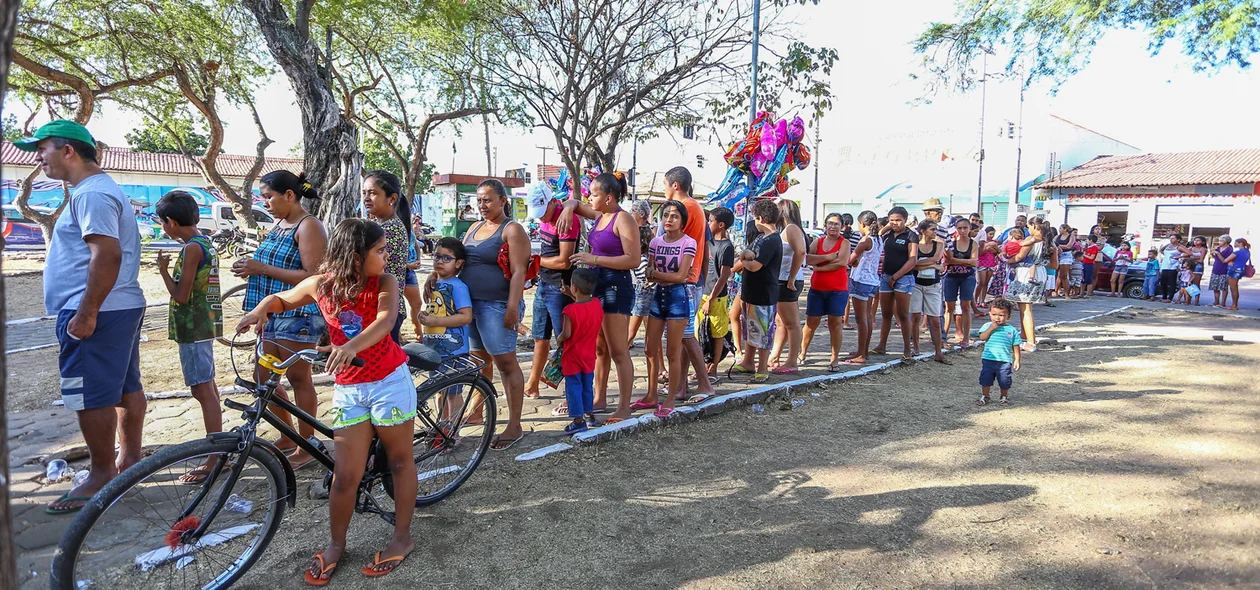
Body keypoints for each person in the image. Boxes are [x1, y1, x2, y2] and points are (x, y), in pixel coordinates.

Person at [239, 219, 417, 583]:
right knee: (344, 475)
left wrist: (351, 345)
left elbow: (385, 320)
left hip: (388, 382)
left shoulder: (385, 282)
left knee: (399, 461)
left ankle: (402, 537)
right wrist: (261, 310)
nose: (386, 258)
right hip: (350, 388)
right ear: (354, 257)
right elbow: (282, 298)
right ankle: (337, 543)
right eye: (380, 251)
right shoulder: (322, 285)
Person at [20, 121, 148, 514]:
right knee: (125, 387)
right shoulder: (97, 190)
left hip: (98, 310)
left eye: (43, 149)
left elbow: (106, 256)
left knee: (90, 394)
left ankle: (101, 474)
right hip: (116, 306)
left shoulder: (92, 193)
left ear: (69, 151)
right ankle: (128, 462)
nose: (38, 158)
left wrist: (87, 312)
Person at [235, 170, 328, 469]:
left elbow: (313, 276)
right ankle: (288, 435)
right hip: (273, 314)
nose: (266, 204)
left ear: (289, 195)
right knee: (264, 378)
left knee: (298, 378)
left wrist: (261, 268)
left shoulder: (308, 225)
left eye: (269, 197)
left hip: (298, 314)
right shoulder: (280, 224)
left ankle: (307, 443)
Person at [558, 172, 642, 421]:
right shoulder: (601, 215)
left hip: (616, 288)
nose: (589, 198)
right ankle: (599, 397)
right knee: (600, 348)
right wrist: (569, 207)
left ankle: (624, 406)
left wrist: (593, 259)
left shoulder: (622, 219)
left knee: (618, 350)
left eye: (594, 194)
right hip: (597, 286)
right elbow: (575, 204)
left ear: (609, 197)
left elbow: (633, 259)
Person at [154, 191, 225, 484]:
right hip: (203, 325)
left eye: (163, 223)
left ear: (171, 221)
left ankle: (216, 457)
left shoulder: (190, 250)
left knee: (202, 390)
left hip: (193, 327)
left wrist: (161, 270)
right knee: (207, 387)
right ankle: (219, 450)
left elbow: (181, 296)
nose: (163, 228)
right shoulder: (204, 242)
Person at [456, 179, 530, 450]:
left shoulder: (512, 230)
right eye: (479, 200)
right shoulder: (474, 227)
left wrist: (513, 307)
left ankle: (515, 425)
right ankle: (477, 411)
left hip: (497, 305)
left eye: (488, 200)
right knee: (479, 363)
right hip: (471, 307)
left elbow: (519, 271)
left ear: (502, 201)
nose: (482, 205)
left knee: (506, 364)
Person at [636, 200, 696, 416]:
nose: (669, 220)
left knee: (673, 352)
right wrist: (662, 276)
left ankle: (670, 398)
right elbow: (648, 271)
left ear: (682, 220)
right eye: (666, 215)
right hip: (658, 296)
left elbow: (680, 276)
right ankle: (651, 394)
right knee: (650, 348)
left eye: (674, 216)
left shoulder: (689, 242)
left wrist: (657, 275)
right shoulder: (655, 242)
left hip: (678, 298)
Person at [523, 182, 577, 400]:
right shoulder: (546, 218)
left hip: (560, 288)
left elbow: (564, 261)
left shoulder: (565, 218)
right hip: (543, 285)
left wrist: (536, 262)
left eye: (543, 212)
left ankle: (570, 393)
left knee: (565, 340)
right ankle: (533, 383)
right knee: (539, 338)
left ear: (553, 202)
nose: (540, 218)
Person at [731, 199, 783, 383]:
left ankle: (762, 367)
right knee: (749, 328)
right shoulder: (761, 237)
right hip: (750, 292)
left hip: (764, 293)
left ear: (760, 218)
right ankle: (748, 361)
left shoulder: (772, 240)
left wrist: (743, 259)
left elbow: (753, 266)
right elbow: (746, 254)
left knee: (762, 332)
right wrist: (744, 256)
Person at [361, 170, 413, 343]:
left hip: (384, 308)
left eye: (373, 193)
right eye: (364, 193)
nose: (367, 198)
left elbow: (364, 265)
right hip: (378, 306)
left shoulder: (389, 229)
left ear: (392, 198)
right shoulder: (379, 225)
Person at [801, 212, 851, 371]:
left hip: (837, 290)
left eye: (836, 224)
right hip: (817, 289)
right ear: (825, 225)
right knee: (810, 323)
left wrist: (818, 266)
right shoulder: (818, 241)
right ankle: (802, 353)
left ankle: (834, 358)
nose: (833, 226)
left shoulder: (845, 243)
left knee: (835, 324)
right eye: (830, 223)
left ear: (842, 226)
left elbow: (842, 262)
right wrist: (829, 257)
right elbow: (807, 258)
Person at [693, 206, 735, 392]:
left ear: (721, 225)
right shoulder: (706, 242)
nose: (707, 223)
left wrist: (711, 298)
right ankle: (701, 365)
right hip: (701, 292)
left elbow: (724, 276)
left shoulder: (727, 247)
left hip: (717, 297)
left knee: (718, 332)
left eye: (710, 221)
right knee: (699, 331)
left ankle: (714, 367)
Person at [557, 268, 603, 434]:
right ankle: (590, 414)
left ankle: (577, 420)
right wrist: (572, 295)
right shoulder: (597, 304)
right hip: (589, 354)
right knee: (587, 386)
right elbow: (585, 309)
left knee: (573, 387)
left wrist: (559, 338)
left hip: (572, 357)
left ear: (574, 288)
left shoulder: (569, 311)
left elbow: (567, 333)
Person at [872, 207, 919, 360]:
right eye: (892, 220)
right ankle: (881, 345)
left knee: (903, 314)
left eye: (898, 220)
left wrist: (896, 276)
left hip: (903, 278)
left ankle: (907, 348)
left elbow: (913, 259)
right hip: (886, 276)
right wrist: (887, 226)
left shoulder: (911, 235)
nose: (895, 223)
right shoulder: (888, 235)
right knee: (886, 314)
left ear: (905, 220)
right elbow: (876, 235)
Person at [416, 237, 472, 359]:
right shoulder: (433, 282)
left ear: (458, 263)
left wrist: (435, 321)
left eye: (446, 258)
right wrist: (425, 315)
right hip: (433, 349)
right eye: (437, 256)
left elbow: (466, 316)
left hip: (453, 351)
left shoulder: (458, 287)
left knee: (454, 378)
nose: (440, 261)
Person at [768, 199, 807, 374]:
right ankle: (774, 356)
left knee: (791, 323)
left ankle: (792, 361)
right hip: (783, 279)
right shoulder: (786, 229)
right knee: (781, 321)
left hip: (787, 280)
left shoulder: (791, 229)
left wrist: (791, 277)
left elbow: (800, 252)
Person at [839, 210, 881, 366]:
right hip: (872, 280)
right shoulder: (878, 239)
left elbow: (850, 259)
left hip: (861, 280)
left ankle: (861, 353)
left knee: (860, 318)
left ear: (863, 224)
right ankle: (863, 351)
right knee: (868, 317)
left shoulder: (865, 240)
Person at [1005, 219, 1053, 352]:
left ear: (1034, 226)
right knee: (1024, 306)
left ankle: (1031, 342)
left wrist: (1007, 261)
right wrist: (1040, 262)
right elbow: (1054, 265)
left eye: (1029, 227)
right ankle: (1024, 334)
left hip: (1025, 273)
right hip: (1041, 272)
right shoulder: (1050, 243)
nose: (1028, 229)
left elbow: (1019, 257)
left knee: (1026, 309)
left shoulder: (1031, 240)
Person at [909, 220, 949, 363]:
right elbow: (912, 264)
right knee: (915, 318)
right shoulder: (915, 246)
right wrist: (932, 265)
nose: (935, 232)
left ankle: (938, 351)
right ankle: (916, 348)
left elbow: (936, 258)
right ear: (923, 230)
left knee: (935, 320)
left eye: (935, 229)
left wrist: (920, 264)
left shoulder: (939, 244)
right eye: (932, 229)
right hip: (916, 285)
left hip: (933, 285)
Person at [976, 298, 1021, 406]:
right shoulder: (987, 326)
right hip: (988, 359)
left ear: (1008, 316)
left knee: (1004, 380)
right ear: (990, 314)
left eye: (1001, 315)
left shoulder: (1011, 330)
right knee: (986, 378)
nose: (997, 318)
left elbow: (1016, 345)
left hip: (1004, 360)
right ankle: (985, 396)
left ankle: (1004, 396)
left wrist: (1017, 360)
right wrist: (991, 328)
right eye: (994, 314)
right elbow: (982, 337)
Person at [942, 217, 978, 346]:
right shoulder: (951, 242)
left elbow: (974, 262)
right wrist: (966, 262)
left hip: (967, 277)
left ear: (969, 229)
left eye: (965, 228)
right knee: (949, 307)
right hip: (951, 276)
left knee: (966, 306)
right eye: (960, 228)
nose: (962, 231)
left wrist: (955, 261)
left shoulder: (973, 243)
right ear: (956, 229)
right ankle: (943, 336)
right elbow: (947, 260)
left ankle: (966, 337)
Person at [1222, 238, 1251, 311]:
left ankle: (1234, 305)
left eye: (1235, 242)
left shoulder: (1237, 252)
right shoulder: (1247, 251)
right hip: (1241, 269)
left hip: (1234, 270)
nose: (1234, 244)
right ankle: (1234, 304)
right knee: (1235, 287)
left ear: (1240, 243)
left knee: (1233, 288)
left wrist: (1218, 254)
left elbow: (1225, 260)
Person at [1158, 233, 1188, 303]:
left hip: (1173, 266)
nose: (1171, 240)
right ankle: (1164, 296)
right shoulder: (1168, 246)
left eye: (1173, 238)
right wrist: (1167, 244)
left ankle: (1170, 298)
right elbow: (1161, 250)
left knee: (1171, 282)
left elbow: (1188, 253)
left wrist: (1178, 257)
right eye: (1170, 238)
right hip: (1165, 265)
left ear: (1178, 240)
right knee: (1163, 282)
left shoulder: (1179, 247)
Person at [1209, 235, 1234, 307]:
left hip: (1224, 268)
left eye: (1222, 241)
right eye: (1219, 240)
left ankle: (1223, 303)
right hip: (1216, 267)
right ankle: (1216, 301)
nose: (1220, 242)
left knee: (1223, 287)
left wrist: (1218, 253)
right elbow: (1216, 258)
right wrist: (1213, 254)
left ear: (1226, 241)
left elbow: (1225, 260)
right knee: (1215, 286)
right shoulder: (1218, 248)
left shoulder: (1229, 249)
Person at [1054, 225, 1076, 297]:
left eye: (1061, 228)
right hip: (1057, 254)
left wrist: (1058, 245)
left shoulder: (1071, 237)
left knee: (1064, 275)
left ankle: (1066, 293)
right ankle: (1056, 291)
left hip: (1066, 255)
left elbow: (1068, 246)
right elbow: (1052, 243)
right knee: (1057, 274)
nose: (1059, 229)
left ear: (1065, 229)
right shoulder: (1057, 236)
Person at [1187, 236, 1209, 305]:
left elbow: (1201, 260)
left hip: (1198, 267)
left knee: (1196, 283)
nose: (1196, 242)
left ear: (1202, 242)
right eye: (1195, 240)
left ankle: (1197, 300)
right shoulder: (1190, 248)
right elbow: (1186, 257)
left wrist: (1192, 258)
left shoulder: (1203, 249)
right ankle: (1188, 299)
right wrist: (1195, 258)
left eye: (1198, 240)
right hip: (1190, 266)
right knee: (1189, 283)